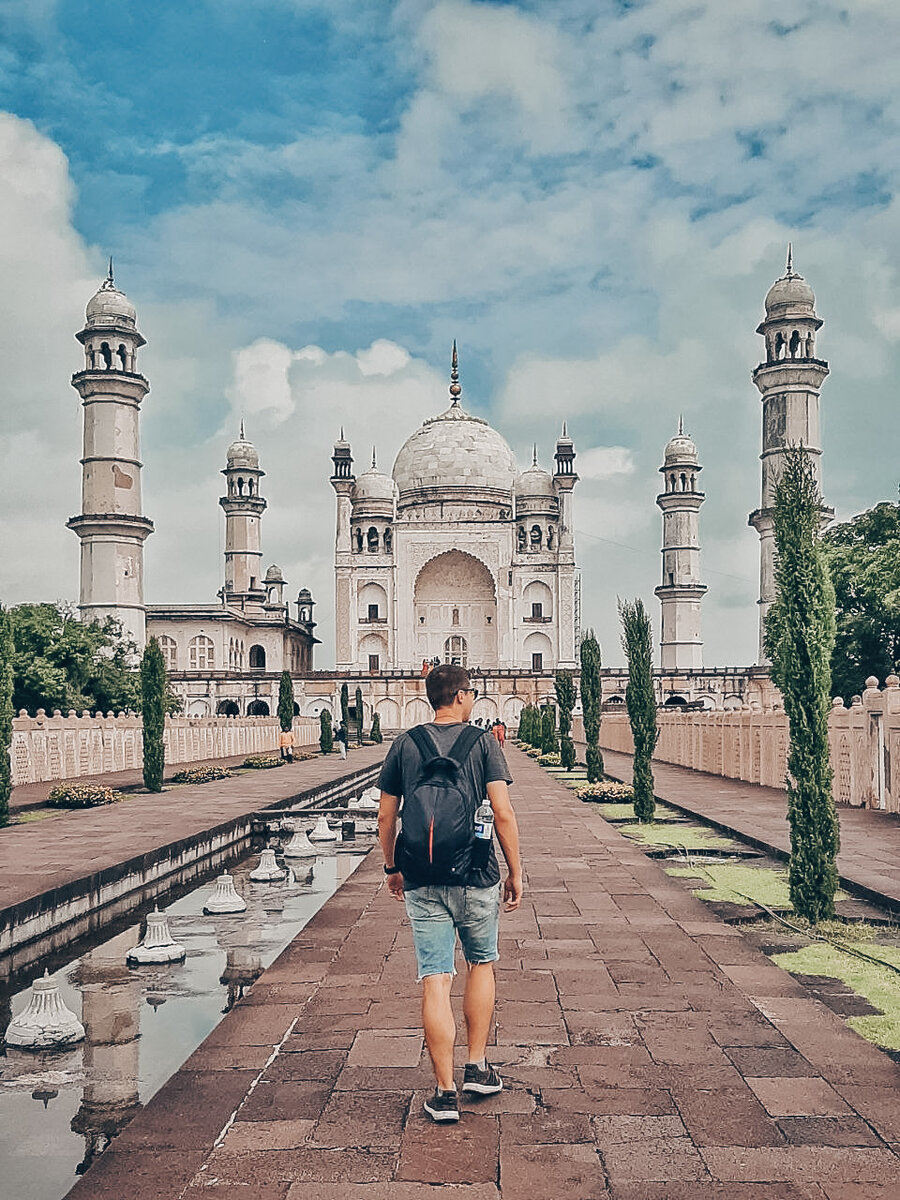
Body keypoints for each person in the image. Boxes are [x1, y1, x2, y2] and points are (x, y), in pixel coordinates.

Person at [378, 664, 523, 1124]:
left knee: (436, 978)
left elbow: (386, 817)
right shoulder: (481, 742)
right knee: (481, 964)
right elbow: (501, 812)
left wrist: (393, 867)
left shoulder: (406, 743)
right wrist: (515, 871)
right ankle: (478, 1068)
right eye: (472, 694)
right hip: (477, 874)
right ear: (461, 697)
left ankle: (444, 1094)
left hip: (422, 877)